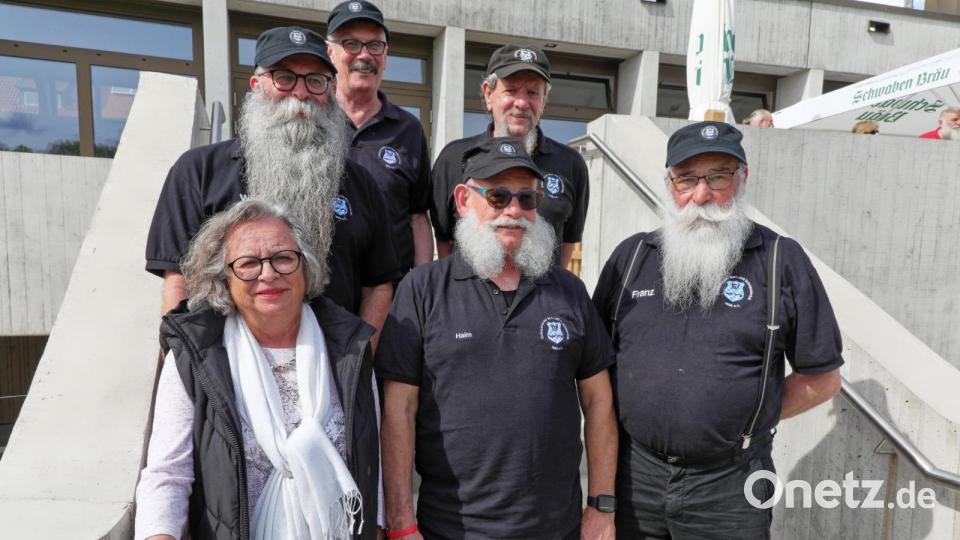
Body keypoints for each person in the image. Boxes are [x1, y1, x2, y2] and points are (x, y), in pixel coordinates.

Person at [592, 122, 843, 539]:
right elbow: (593, 368)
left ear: (742, 179)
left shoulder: (781, 260)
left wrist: (743, 422)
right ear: (669, 183)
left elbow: (824, 378)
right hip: (635, 476)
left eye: (718, 177)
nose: (702, 194)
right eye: (686, 178)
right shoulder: (631, 257)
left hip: (732, 487)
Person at [378, 137, 617, 540]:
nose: (514, 211)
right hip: (451, 529)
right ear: (463, 199)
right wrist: (402, 522)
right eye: (498, 195)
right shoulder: (422, 289)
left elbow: (598, 402)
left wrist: (601, 506)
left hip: (556, 528)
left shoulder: (569, 291)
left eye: (527, 199)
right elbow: (397, 413)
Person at [135, 199, 381, 539]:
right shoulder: (195, 355)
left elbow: (373, 460)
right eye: (249, 263)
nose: (268, 274)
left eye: (282, 258)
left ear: (305, 267)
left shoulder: (350, 347)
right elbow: (167, 474)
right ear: (224, 279)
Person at [145, 26, 401, 345]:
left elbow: (378, 285)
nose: (301, 92)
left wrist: (361, 364)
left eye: (316, 80)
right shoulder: (198, 170)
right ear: (257, 85)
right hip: (225, 370)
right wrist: (181, 362)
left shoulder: (361, 183)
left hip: (333, 371)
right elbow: (177, 279)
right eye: (284, 77)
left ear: (330, 91)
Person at [430, 45, 589, 268]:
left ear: (544, 101)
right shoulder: (454, 158)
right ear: (488, 93)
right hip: (469, 300)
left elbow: (567, 244)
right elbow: (444, 240)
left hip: (542, 300)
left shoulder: (571, 165)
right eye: (511, 90)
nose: (522, 103)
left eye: (533, 93)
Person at [327, 1, 434, 275]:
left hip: (394, 297)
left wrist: (421, 286)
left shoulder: (409, 129)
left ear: (386, 57)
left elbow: (418, 216)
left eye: (375, 45)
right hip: (322, 295)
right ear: (330, 53)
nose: (364, 55)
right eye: (350, 44)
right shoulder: (310, 120)